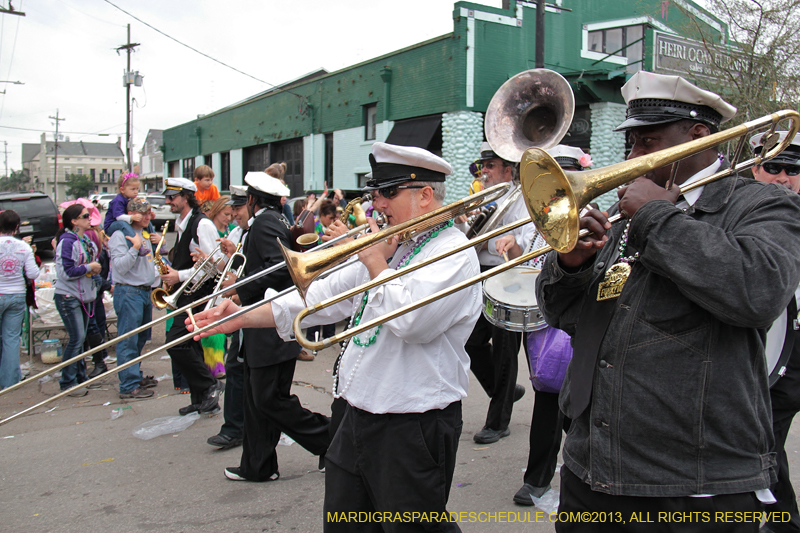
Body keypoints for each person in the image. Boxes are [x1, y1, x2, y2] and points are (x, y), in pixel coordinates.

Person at [536, 71, 800, 532]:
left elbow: (760, 291)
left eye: (648, 142)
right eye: (632, 143)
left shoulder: (760, 204)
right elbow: (563, 316)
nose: (634, 157)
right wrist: (571, 264)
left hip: (693, 481)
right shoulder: (627, 211)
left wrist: (655, 215)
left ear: (697, 135)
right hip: (592, 466)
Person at [189, 143, 480, 530]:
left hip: (412, 423)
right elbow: (320, 299)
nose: (377, 204)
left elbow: (413, 322)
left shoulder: (454, 253)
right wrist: (239, 317)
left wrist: (375, 262)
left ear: (425, 195)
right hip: (355, 412)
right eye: (375, 193)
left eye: (387, 192)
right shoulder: (394, 245)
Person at [210, 171, 330, 482]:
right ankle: (258, 465)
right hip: (269, 324)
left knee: (268, 399)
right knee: (256, 400)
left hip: (270, 327)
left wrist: (241, 287)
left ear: (251, 199)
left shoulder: (264, 223)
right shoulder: (275, 220)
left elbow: (278, 269)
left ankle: (331, 439)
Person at [495, 145, 592, 506]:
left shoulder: (590, 217)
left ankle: (544, 477)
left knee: (560, 399)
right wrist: (514, 247)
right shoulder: (540, 219)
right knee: (550, 394)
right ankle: (544, 475)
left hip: (575, 324)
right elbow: (531, 262)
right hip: (542, 320)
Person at [459, 140, 527, 444]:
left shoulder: (520, 199)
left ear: (508, 170)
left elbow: (527, 240)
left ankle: (498, 422)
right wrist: (461, 224)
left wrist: (512, 243)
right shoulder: (483, 197)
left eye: (490, 166)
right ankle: (504, 391)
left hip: (509, 276)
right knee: (471, 341)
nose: (483, 171)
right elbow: (468, 241)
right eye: (482, 166)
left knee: (504, 351)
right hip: (482, 276)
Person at [750, 130, 800, 533]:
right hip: (773, 349)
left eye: (793, 169)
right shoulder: (739, 213)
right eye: (773, 166)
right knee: (763, 441)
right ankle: (785, 523)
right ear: (755, 168)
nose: (783, 177)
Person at [160, 177, 224, 415]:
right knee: (191, 345)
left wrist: (179, 275)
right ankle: (202, 399)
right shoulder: (182, 223)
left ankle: (210, 385)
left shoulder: (201, 224)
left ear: (186, 197)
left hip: (198, 294)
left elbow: (213, 264)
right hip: (187, 294)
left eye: (172, 197)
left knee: (176, 343)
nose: (168, 201)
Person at [207, 185, 250, 451]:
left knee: (240, 369)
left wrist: (235, 255)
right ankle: (236, 428)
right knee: (236, 368)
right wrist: (219, 259)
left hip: (251, 308)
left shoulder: (258, 230)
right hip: (238, 305)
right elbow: (229, 270)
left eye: (238, 207)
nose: (234, 213)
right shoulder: (237, 231)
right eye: (232, 208)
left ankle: (237, 429)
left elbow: (256, 271)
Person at [107, 197, 159, 399]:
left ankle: (134, 375)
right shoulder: (120, 235)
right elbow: (120, 267)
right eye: (142, 213)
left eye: (148, 213)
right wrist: (135, 248)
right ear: (131, 214)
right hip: (129, 292)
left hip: (144, 291)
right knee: (128, 340)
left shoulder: (145, 232)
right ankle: (128, 385)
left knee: (140, 339)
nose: (147, 217)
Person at [54, 204, 102, 397]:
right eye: (85, 216)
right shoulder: (67, 242)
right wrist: (89, 267)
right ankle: (67, 382)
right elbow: (66, 272)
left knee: (81, 340)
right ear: (73, 221)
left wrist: (95, 270)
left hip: (84, 294)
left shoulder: (85, 240)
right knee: (76, 339)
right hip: (68, 296)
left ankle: (80, 377)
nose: (89, 218)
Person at [0, 209, 39, 389]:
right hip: (17, 295)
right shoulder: (23, 247)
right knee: (11, 339)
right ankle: (9, 382)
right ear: (16, 227)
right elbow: (33, 273)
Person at [199, 195, 234, 378]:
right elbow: (215, 261)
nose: (228, 218)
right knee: (214, 327)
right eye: (225, 214)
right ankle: (215, 367)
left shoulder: (232, 230)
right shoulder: (209, 229)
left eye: (231, 215)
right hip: (212, 285)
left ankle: (222, 363)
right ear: (217, 211)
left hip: (227, 283)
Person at [103, 172, 143, 239]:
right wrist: (132, 217)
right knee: (122, 223)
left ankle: (155, 240)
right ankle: (134, 240)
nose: (136, 192)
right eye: (133, 189)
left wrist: (146, 214)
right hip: (111, 226)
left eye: (137, 189)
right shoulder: (118, 200)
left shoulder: (130, 199)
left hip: (123, 224)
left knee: (144, 219)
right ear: (122, 190)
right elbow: (118, 217)